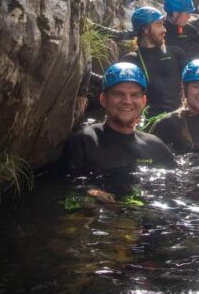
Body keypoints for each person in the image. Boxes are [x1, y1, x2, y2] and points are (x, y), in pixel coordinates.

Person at [56, 62, 175, 200]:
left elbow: (173, 189)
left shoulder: (156, 147)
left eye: (134, 95)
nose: (127, 101)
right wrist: (93, 193)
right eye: (118, 94)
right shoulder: (85, 141)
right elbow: (65, 186)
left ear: (143, 101)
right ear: (103, 99)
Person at [121, 6, 188, 118]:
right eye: (158, 25)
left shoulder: (176, 53)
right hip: (150, 121)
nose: (164, 29)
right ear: (146, 29)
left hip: (179, 117)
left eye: (163, 24)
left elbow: (192, 86)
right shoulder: (131, 61)